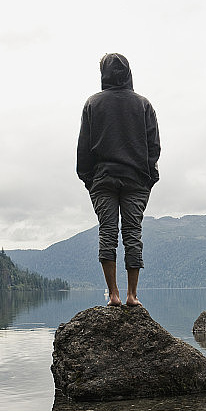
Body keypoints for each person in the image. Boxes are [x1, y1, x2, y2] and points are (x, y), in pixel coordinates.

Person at [77, 53, 160, 306]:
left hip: (103, 180)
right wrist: (148, 177)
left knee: (107, 233)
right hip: (136, 180)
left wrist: (89, 179)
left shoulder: (93, 104)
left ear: (104, 73)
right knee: (133, 234)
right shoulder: (143, 104)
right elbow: (154, 147)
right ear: (128, 73)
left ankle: (113, 295)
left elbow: (83, 148)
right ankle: (132, 295)